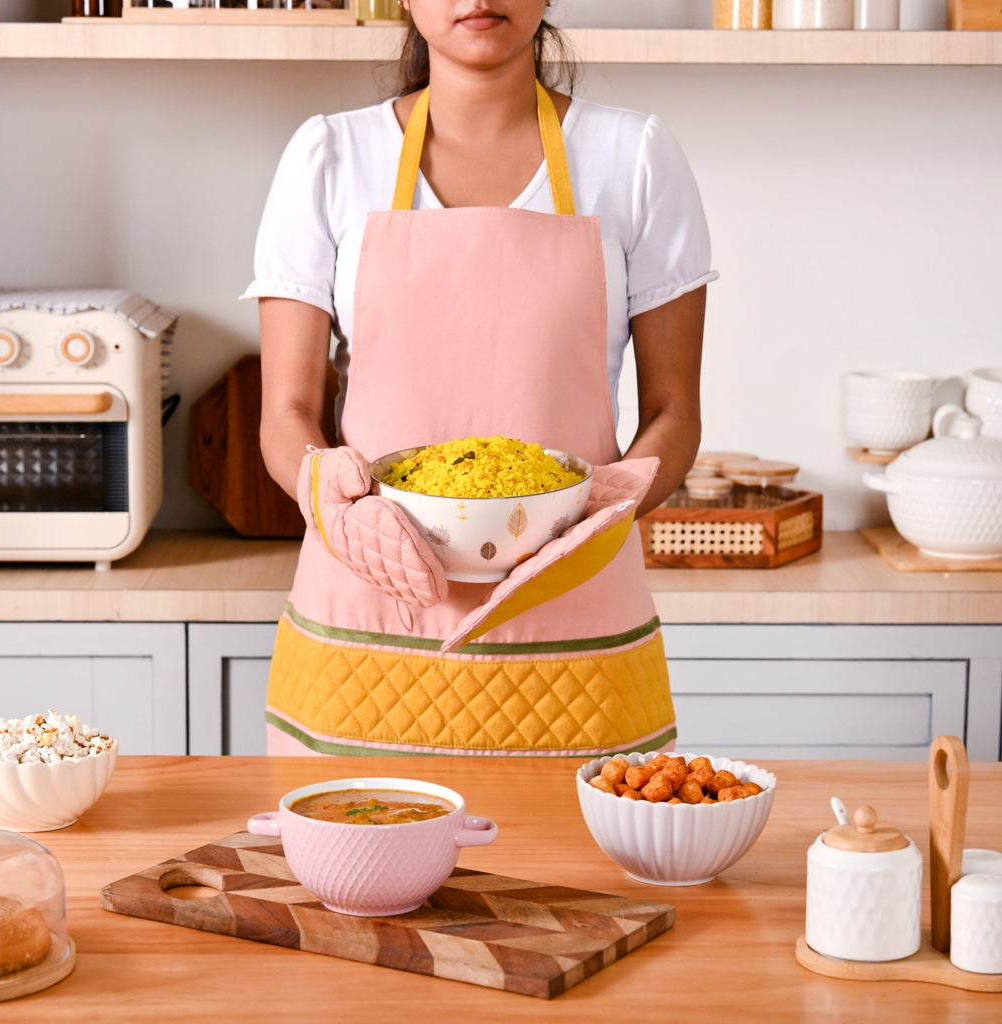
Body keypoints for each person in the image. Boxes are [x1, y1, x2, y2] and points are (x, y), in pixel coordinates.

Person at [241, 0, 716, 757]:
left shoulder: (634, 156)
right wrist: (335, 504)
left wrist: (595, 509)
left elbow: (674, 412)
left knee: (580, 876)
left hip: (573, 615)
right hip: (369, 614)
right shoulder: (329, 155)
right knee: (351, 865)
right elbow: (288, 412)